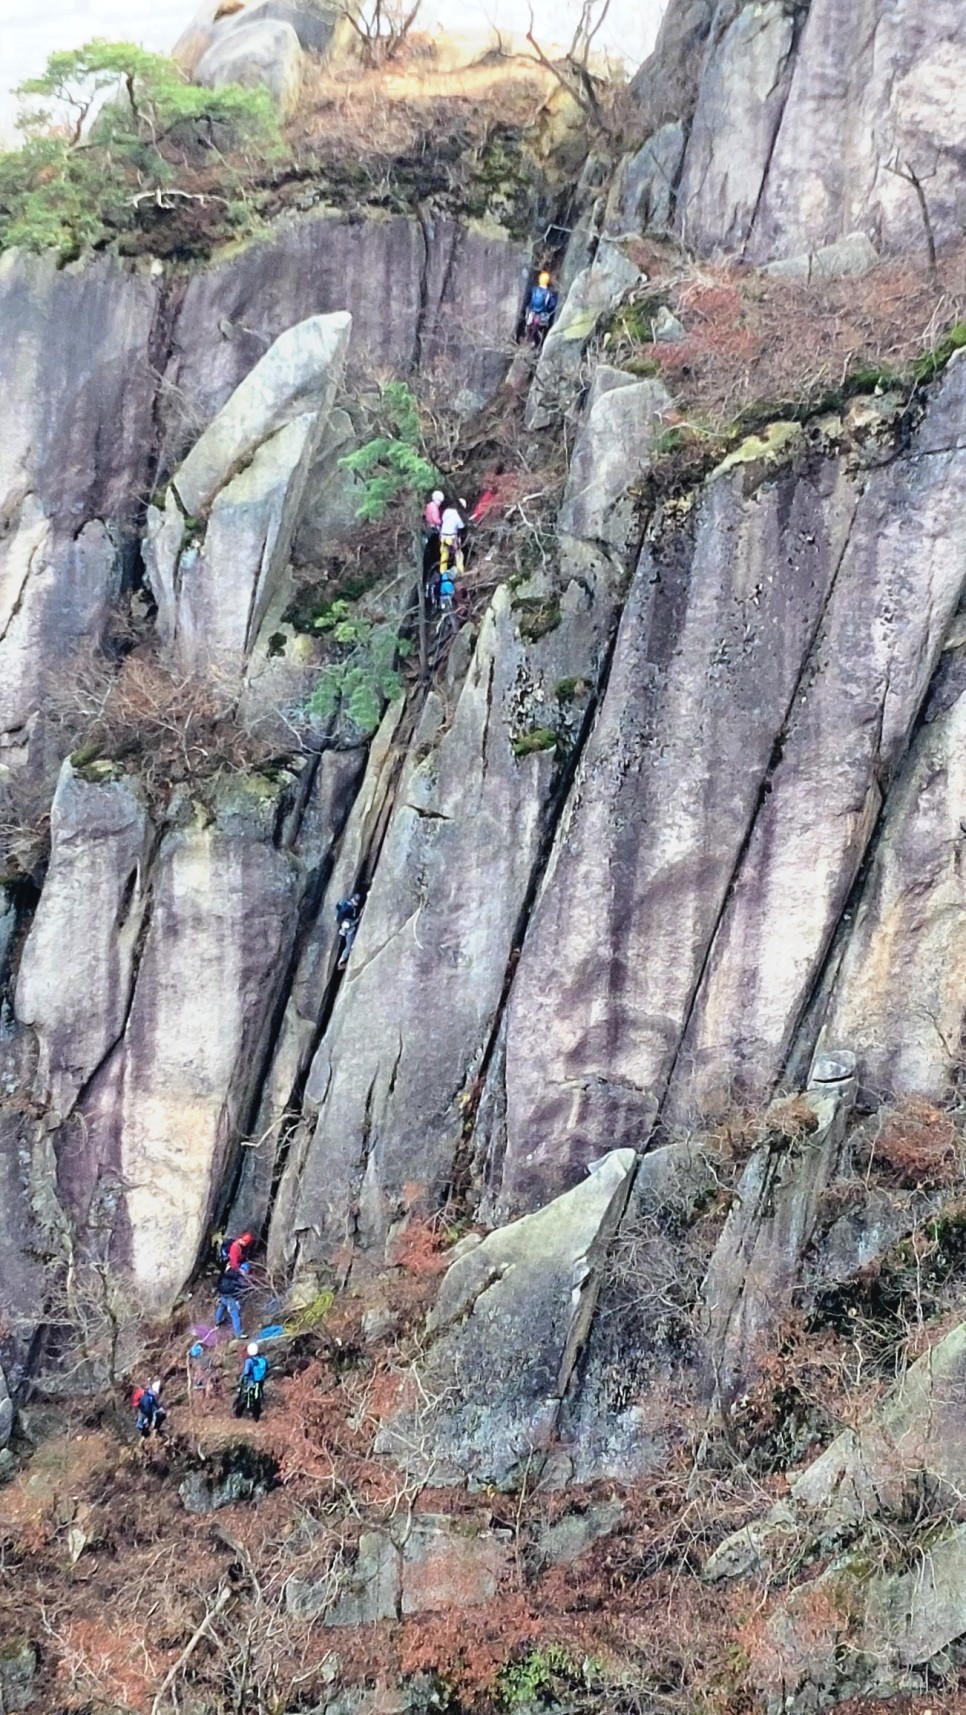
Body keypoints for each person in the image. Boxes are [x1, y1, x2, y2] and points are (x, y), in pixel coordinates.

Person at [234, 1342, 269, 1422]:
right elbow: (267, 1367)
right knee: (257, 1398)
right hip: (260, 1381)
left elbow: (246, 1372)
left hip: (251, 1381)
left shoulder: (249, 1361)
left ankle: (238, 1414)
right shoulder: (263, 1359)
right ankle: (256, 1417)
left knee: (244, 1397)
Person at [524, 271, 557, 347]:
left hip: (531, 311)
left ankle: (528, 339)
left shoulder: (534, 290)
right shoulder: (549, 293)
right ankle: (536, 343)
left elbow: (528, 299)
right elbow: (552, 304)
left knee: (530, 326)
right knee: (539, 329)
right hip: (542, 314)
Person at [214, 1265, 247, 1339]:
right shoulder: (237, 1277)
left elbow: (218, 1284)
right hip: (231, 1298)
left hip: (223, 1295)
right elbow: (239, 1289)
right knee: (235, 1314)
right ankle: (238, 1333)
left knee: (222, 1306)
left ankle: (217, 1321)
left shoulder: (224, 1275)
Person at [335, 892, 363, 970]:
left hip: (346, 925)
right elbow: (352, 921)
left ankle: (342, 960)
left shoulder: (346, 904)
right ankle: (340, 962)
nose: (356, 904)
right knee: (348, 945)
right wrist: (359, 917)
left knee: (351, 942)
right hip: (348, 927)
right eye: (355, 902)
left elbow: (338, 906)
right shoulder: (348, 908)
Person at [439, 500, 465, 576]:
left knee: (444, 554)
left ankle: (442, 571)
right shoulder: (456, 516)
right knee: (458, 554)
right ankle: (460, 571)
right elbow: (461, 526)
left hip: (443, 537)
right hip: (451, 538)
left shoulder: (445, 513)